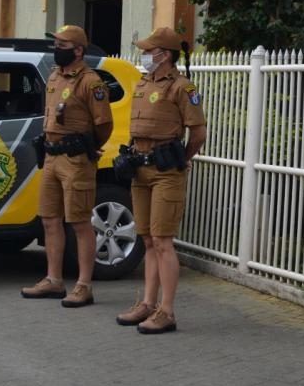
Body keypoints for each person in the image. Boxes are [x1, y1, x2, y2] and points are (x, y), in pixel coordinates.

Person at [115, 27, 207, 334]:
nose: (144, 55)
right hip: (139, 169)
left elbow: (198, 132)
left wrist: (186, 157)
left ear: (164, 55)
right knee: (148, 240)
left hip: (166, 172)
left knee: (164, 242)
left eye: (149, 50)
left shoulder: (182, 87)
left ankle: (166, 311)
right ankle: (147, 304)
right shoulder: (143, 83)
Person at [22, 25, 113, 307]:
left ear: (78, 50)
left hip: (76, 160)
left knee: (80, 223)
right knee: (49, 220)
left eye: (62, 45)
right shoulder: (54, 76)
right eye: (55, 44)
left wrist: (86, 146)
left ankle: (84, 285)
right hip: (51, 157)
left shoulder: (91, 82)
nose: (56, 49)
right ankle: (54, 279)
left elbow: (104, 124)